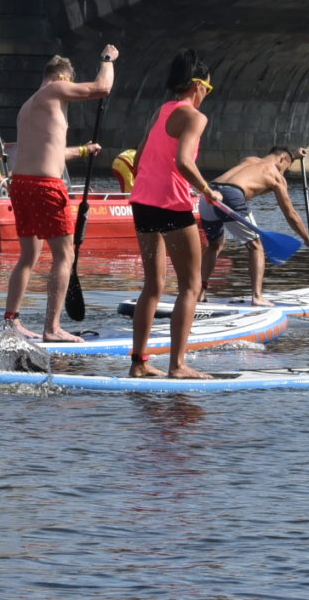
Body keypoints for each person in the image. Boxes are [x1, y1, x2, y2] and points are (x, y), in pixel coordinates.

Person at [2, 45, 119, 341]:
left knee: (29, 255)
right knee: (65, 255)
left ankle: (11, 321)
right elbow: (102, 87)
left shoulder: (29, 105)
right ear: (62, 78)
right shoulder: (56, 90)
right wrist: (106, 59)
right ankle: (52, 328)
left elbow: (48, 151)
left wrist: (83, 150)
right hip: (45, 187)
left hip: (21, 184)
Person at [126, 52, 227, 380]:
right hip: (171, 205)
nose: (205, 96)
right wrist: (207, 190)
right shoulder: (194, 117)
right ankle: (178, 365)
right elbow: (184, 161)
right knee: (190, 286)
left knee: (152, 286)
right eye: (207, 90)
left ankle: (139, 362)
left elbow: (138, 157)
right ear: (198, 85)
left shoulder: (161, 111)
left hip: (142, 202)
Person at [199, 146, 309, 299]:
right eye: (286, 169)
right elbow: (291, 214)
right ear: (282, 160)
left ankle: (199, 292)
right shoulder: (276, 176)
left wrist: (294, 156)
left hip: (209, 192)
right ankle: (257, 297)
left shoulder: (249, 160)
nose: (284, 173)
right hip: (231, 196)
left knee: (215, 245)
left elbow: (256, 185)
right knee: (256, 246)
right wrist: (308, 240)